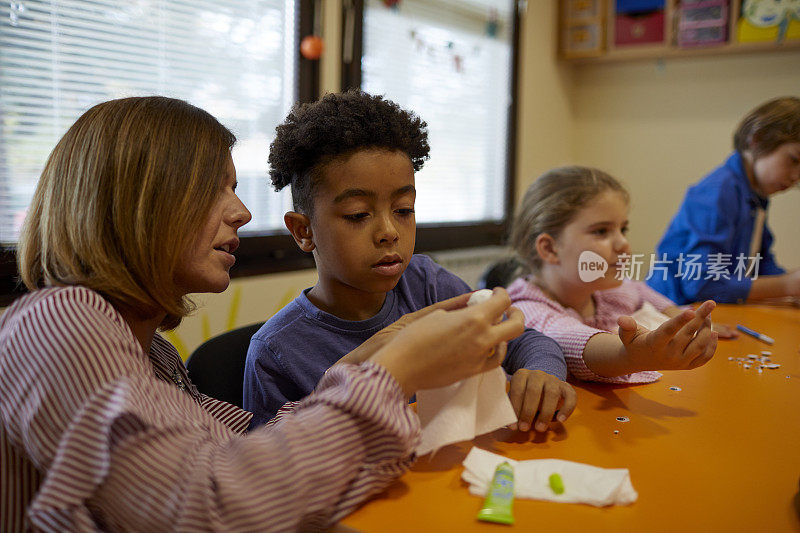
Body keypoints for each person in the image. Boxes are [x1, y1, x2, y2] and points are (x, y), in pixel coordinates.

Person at [0, 96, 528, 532]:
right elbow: (211, 506)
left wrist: (379, 352)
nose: (243, 212)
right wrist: (395, 372)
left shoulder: (152, 354)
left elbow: (254, 444)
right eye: (216, 187)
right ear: (136, 201)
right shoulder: (60, 323)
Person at [244, 90, 575, 433]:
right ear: (303, 230)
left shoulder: (428, 284)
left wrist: (541, 373)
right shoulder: (276, 353)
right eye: (358, 215)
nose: (389, 232)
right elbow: (273, 465)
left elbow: (526, 341)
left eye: (404, 210)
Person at [506, 166, 719, 384]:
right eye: (601, 231)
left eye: (623, 229)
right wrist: (632, 355)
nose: (623, 244)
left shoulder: (606, 291)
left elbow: (637, 289)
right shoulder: (526, 310)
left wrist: (680, 317)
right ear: (550, 249)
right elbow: (569, 339)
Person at [647, 96, 800, 305]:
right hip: (671, 310)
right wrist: (786, 285)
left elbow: (761, 264)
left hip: (712, 309)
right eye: (794, 160)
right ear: (758, 139)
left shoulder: (756, 196)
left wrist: (790, 290)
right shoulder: (718, 192)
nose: (795, 176)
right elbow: (700, 283)